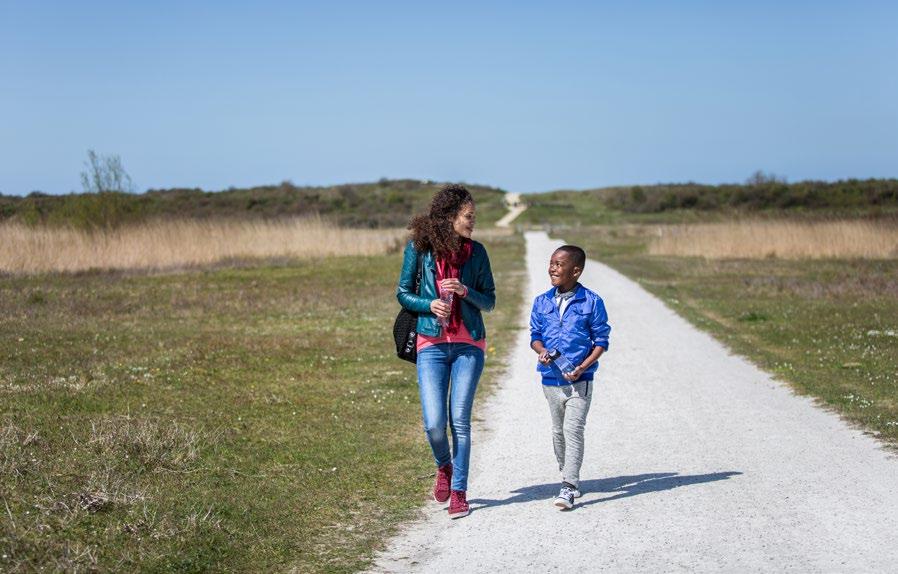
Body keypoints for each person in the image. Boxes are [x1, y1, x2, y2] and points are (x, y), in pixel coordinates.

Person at [396, 184, 496, 519]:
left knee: (460, 422)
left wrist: (466, 291)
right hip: (431, 344)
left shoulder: (477, 252)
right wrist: (430, 304)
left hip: (470, 345)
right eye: (469, 217)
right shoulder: (419, 249)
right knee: (434, 424)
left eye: (473, 217)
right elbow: (402, 293)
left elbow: (490, 301)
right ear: (450, 217)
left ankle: (459, 493)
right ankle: (444, 466)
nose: (473, 222)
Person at [529, 245, 611, 510]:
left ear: (576, 271)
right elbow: (535, 337)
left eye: (559, 264)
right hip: (551, 380)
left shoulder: (592, 301)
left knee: (572, 430)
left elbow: (601, 341)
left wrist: (583, 366)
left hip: (580, 380)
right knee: (557, 431)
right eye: (551, 262)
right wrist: (541, 352)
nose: (552, 268)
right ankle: (568, 471)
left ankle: (569, 486)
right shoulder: (541, 302)